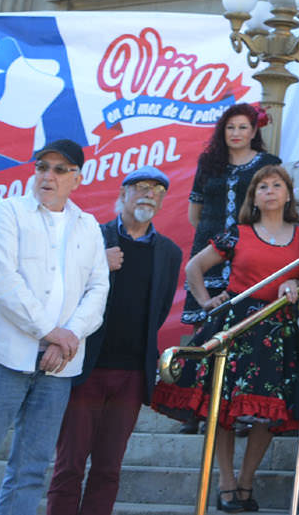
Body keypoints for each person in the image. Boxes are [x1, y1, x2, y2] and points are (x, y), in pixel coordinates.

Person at [0, 140, 109, 515]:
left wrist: (66, 338)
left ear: (77, 179)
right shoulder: (8, 212)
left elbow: (98, 289)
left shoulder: (88, 227)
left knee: (31, 472)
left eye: (60, 170)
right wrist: (52, 332)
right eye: (42, 167)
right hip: (2, 358)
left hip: (58, 366)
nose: (48, 176)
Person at [155, 164, 299, 512]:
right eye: (262, 187)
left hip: (277, 331)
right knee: (221, 408)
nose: (270, 191)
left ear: (288, 194)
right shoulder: (237, 233)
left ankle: (246, 481)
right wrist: (206, 301)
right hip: (234, 328)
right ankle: (225, 482)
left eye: (277, 185)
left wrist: (296, 283)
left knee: (269, 411)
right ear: (253, 197)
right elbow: (193, 267)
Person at [46, 167, 182, 515]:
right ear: (122, 194)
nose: (148, 194)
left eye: (157, 190)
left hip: (132, 375)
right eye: (141, 187)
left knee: (108, 469)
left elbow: (160, 308)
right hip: (85, 367)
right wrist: (96, 265)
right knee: (69, 465)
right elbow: (60, 289)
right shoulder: (93, 235)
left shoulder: (169, 252)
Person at [185, 104, 280, 324]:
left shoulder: (268, 164)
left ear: (253, 132)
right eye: (230, 127)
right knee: (204, 323)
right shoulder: (208, 162)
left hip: (249, 251)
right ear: (222, 131)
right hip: (207, 250)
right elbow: (194, 213)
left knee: (244, 321)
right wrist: (214, 240)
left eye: (242, 127)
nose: (236, 133)